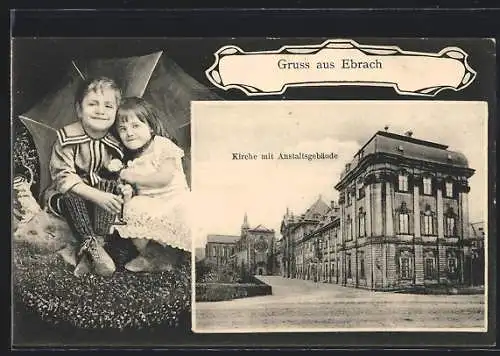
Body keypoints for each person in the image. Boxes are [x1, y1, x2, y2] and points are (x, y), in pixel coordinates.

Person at [43, 76, 124, 278]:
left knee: (111, 189)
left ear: (116, 111)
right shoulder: (68, 137)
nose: (100, 110)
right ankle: (92, 243)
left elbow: (113, 176)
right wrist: (97, 196)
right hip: (68, 196)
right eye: (92, 104)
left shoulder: (114, 142)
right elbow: (63, 177)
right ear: (79, 109)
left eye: (108, 106)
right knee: (74, 197)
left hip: (98, 202)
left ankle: (93, 251)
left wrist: (119, 185)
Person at [112, 96, 191, 272]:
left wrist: (133, 177)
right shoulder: (133, 158)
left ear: (151, 127)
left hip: (174, 199)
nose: (129, 133)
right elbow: (138, 191)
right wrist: (127, 192)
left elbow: (164, 178)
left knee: (181, 216)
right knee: (133, 207)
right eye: (122, 129)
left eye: (135, 126)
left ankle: (170, 254)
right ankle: (149, 255)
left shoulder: (162, 145)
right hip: (150, 202)